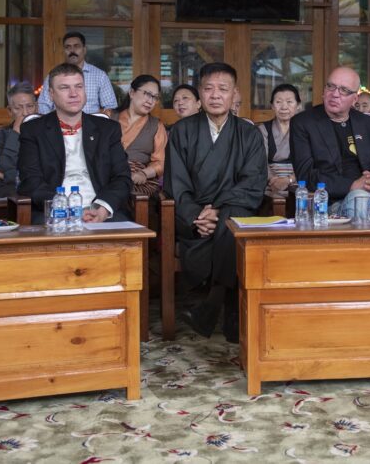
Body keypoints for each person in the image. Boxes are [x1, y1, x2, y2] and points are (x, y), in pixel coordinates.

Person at [164, 62, 267, 342]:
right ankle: (229, 308)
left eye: (223, 89)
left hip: (231, 213)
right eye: (208, 89)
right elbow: (176, 183)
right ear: (200, 93)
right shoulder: (182, 131)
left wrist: (217, 209)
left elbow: (253, 183)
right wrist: (199, 215)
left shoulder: (249, 134)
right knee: (229, 226)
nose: (215, 95)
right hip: (195, 221)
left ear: (235, 94)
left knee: (231, 219)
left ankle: (212, 303)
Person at [18, 63, 132, 224]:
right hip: (55, 211)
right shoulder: (33, 130)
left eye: (79, 86)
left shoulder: (108, 129)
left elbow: (122, 178)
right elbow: (31, 181)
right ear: (51, 94)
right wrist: (66, 208)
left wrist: (103, 209)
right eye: (64, 88)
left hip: (100, 211)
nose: (74, 94)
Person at [290, 67, 370, 217]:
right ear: (323, 90)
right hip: (330, 202)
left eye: (344, 90)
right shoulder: (303, 123)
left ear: (354, 99)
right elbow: (305, 175)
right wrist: (353, 185)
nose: (334, 94)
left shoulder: (367, 124)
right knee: (361, 203)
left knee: (365, 202)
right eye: (330, 86)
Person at [37, 32, 118, 115]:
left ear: (84, 49)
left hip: (92, 125)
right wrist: (51, 124)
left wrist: (95, 122)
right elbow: (43, 105)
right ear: (63, 51)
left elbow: (110, 107)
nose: (72, 50)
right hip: (58, 125)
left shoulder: (100, 76)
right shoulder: (54, 76)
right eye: (68, 47)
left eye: (76, 46)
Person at [114, 74, 167, 197]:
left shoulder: (156, 126)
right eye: (147, 94)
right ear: (132, 93)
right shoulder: (109, 117)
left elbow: (160, 162)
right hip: (108, 176)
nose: (150, 101)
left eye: (155, 97)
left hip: (137, 181)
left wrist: (143, 174)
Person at [0, 83, 38, 198]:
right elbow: (4, 167)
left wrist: (6, 176)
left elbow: (49, 170)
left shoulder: (46, 132)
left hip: (36, 185)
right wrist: (15, 133)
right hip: (7, 188)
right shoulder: (0, 135)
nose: (25, 113)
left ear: (36, 107)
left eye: (30, 106)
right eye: (18, 108)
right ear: (10, 111)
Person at [259, 83, 301, 193]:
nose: (284, 107)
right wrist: (273, 179)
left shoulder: (306, 130)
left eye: (289, 102)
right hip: (270, 183)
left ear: (298, 105)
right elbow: (259, 162)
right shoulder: (263, 129)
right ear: (272, 106)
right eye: (278, 102)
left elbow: (311, 163)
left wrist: (289, 179)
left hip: (299, 182)